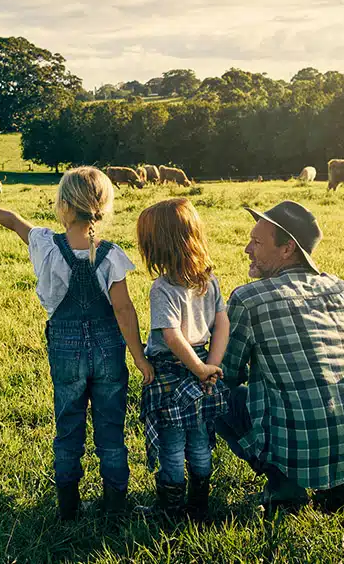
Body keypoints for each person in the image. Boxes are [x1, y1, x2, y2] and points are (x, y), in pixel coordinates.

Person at [0, 166, 154, 521]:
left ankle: (68, 507)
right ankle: (116, 505)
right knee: (111, 430)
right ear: (103, 206)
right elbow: (123, 309)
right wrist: (140, 358)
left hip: (65, 350)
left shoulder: (45, 244)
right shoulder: (111, 254)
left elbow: (15, 222)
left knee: (68, 425)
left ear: (63, 206)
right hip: (108, 350)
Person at [218, 200, 344, 513]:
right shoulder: (343, 290)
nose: (246, 249)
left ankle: (284, 484)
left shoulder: (249, 298)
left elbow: (227, 373)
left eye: (256, 242)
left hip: (300, 451)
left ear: (287, 249)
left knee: (212, 391)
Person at [136, 198, 229, 519]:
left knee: (172, 445)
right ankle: (199, 503)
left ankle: (170, 509)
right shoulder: (209, 279)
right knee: (200, 440)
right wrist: (210, 366)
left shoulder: (162, 288)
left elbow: (172, 337)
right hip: (202, 367)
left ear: (157, 246)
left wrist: (201, 368)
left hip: (173, 374)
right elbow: (222, 324)